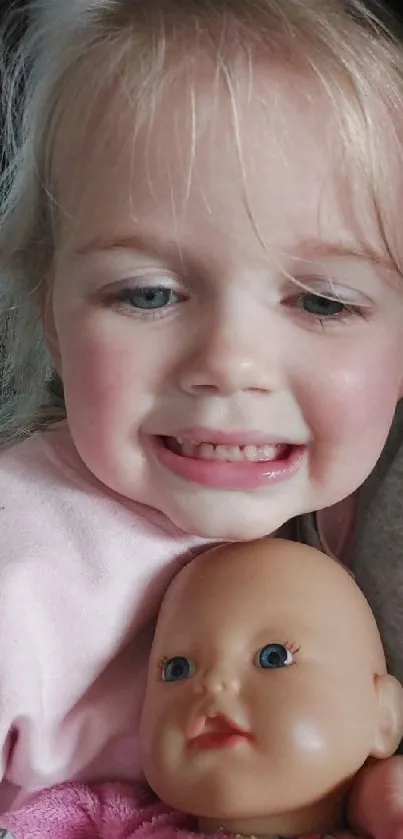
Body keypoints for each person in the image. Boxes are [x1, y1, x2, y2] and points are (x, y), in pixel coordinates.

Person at [0, 0, 403, 829]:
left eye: (323, 302)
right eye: (148, 293)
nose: (230, 363)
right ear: (52, 314)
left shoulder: (368, 504)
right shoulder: (22, 563)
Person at [0, 538, 401, 838]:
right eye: (178, 669)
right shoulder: (107, 815)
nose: (211, 682)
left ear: (383, 718)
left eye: (273, 657)